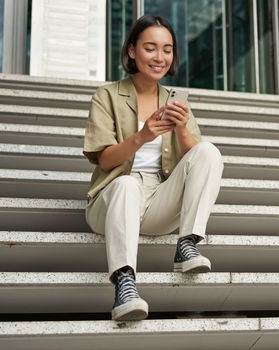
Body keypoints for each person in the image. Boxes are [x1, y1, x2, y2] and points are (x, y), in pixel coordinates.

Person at [83, 14, 224, 322]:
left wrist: (182, 128)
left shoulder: (175, 101)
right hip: (112, 198)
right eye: (150, 48)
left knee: (209, 151)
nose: (160, 57)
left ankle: (187, 244)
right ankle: (124, 284)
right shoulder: (106, 96)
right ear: (132, 51)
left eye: (167, 49)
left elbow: (196, 159)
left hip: (158, 200)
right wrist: (143, 136)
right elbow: (105, 160)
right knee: (127, 184)